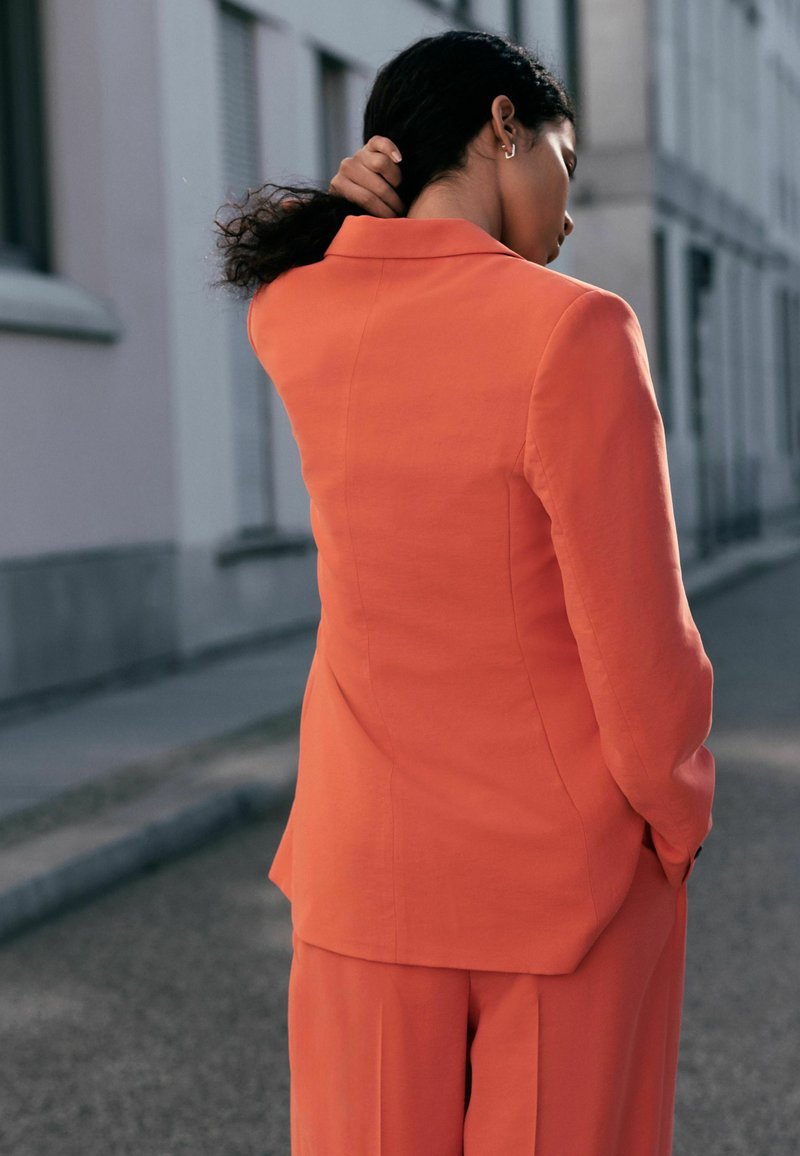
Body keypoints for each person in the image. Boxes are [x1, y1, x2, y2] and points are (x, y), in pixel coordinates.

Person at [213, 29, 715, 1156]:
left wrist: (355, 223)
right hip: (563, 885)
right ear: (502, 125)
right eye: (564, 163)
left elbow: (308, 274)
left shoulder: (290, 315)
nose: (569, 209)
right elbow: (638, 644)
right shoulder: (576, 330)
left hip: (360, 879)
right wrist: (677, 815)